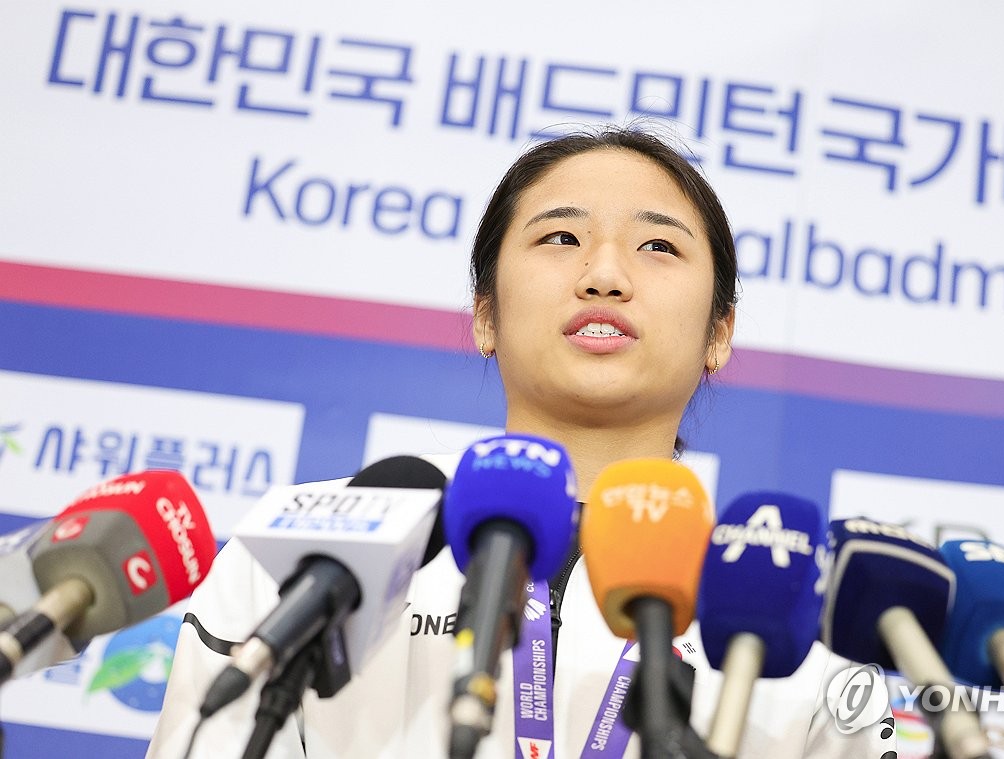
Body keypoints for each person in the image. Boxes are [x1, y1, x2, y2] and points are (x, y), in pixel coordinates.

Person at [149, 126, 895, 758]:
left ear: (718, 334)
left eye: (658, 246)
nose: (604, 274)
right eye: (561, 237)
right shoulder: (313, 547)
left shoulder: (793, 606)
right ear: (485, 314)